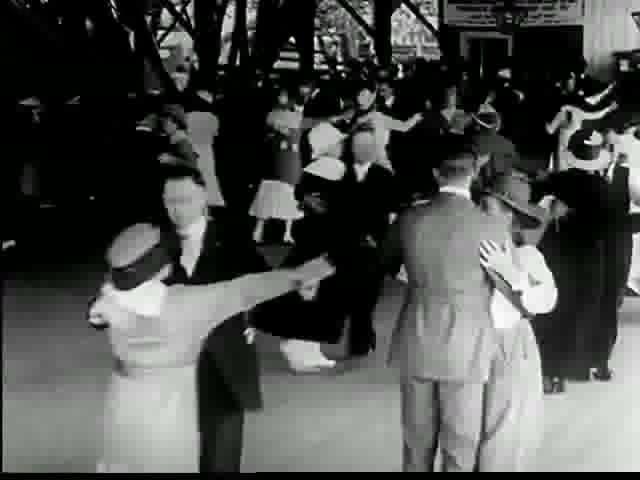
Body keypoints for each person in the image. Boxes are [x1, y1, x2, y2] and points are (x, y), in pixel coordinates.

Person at [89, 223, 335, 473]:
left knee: (122, 456)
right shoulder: (186, 302)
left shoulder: (108, 300)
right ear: (162, 267)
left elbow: (97, 314)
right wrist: (306, 273)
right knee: (167, 458)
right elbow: (247, 289)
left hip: (123, 396)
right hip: (169, 401)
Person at [380, 146, 510, 472]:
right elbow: (503, 282)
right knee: (461, 440)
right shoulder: (491, 224)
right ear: (474, 175)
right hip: (468, 339)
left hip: (417, 333)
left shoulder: (409, 218)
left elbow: (385, 263)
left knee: (416, 439)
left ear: (436, 175)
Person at [159, 164, 268, 472]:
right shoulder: (155, 244)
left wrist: (253, 317)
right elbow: (122, 288)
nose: (177, 209)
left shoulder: (232, 238)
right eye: (170, 201)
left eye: (185, 199)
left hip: (225, 359)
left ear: (203, 197)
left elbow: (263, 282)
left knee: (221, 454)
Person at [476, 174, 557, 472]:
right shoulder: (463, 248)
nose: (480, 213)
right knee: (467, 427)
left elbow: (545, 301)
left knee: (503, 426)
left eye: (488, 207)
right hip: (467, 341)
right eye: (480, 206)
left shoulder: (527, 255)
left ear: (510, 215)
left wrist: (511, 273)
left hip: (510, 342)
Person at [251, 123, 348, 372]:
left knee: (305, 293)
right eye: (338, 142)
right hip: (328, 241)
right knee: (320, 296)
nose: (342, 146)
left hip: (310, 237)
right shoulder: (337, 170)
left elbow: (302, 198)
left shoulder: (309, 170)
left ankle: (304, 345)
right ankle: (303, 347)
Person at [531, 128, 612, 394]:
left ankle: (551, 372)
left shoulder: (556, 182)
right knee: (584, 308)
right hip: (591, 257)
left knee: (555, 310)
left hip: (557, 254)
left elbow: (530, 204)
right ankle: (577, 366)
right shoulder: (604, 188)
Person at [329, 128, 402, 360]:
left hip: (373, 248)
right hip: (344, 245)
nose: (364, 150)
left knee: (367, 296)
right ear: (352, 147)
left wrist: (383, 242)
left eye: (369, 145)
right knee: (347, 293)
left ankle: (359, 342)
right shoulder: (338, 173)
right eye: (359, 145)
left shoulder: (385, 176)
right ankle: (361, 334)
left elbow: (392, 213)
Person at [250, 88, 305, 244]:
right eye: (280, 96)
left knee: (288, 196)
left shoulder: (296, 116)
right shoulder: (272, 114)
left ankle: (287, 232)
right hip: (274, 160)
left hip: (289, 161)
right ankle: (259, 229)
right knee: (268, 193)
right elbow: (269, 131)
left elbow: (295, 132)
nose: (283, 98)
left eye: (285, 96)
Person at [185, 90, 226, 209]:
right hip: (206, 151)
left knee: (191, 178)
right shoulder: (213, 118)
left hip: (191, 150)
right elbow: (215, 134)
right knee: (208, 177)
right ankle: (205, 209)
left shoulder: (187, 116)